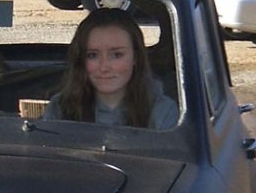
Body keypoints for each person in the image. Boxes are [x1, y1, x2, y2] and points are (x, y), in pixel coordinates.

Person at [43, 7, 179, 129]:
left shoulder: (162, 112)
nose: (104, 67)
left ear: (136, 57)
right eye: (92, 55)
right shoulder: (60, 109)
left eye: (116, 55)